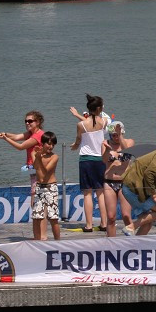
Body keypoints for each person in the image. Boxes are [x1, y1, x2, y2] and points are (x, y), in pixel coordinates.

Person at [0, 110, 45, 238]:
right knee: (36, 201)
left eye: (30, 121)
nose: (27, 123)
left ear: (38, 122)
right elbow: (16, 137)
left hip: (39, 171)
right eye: (26, 121)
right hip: (33, 170)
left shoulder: (37, 136)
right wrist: (5, 134)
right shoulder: (31, 133)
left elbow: (20, 146)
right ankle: (38, 235)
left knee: (37, 202)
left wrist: (5, 139)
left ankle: (41, 236)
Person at [70, 93, 108, 233]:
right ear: (99, 108)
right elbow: (95, 122)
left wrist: (74, 146)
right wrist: (80, 115)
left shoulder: (81, 125)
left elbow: (79, 139)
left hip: (86, 159)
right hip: (100, 159)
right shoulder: (103, 121)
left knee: (87, 193)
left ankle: (89, 225)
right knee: (100, 193)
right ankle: (104, 223)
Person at [101, 121, 135, 237]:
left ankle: (131, 240)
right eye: (113, 135)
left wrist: (120, 136)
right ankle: (111, 244)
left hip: (124, 182)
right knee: (111, 217)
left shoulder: (129, 142)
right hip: (109, 182)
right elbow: (105, 160)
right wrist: (107, 150)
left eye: (117, 134)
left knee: (126, 215)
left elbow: (128, 152)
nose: (115, 137)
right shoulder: (105, 143)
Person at [31, 131, 61, 241]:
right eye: (48, 144)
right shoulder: (35, 153)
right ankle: (37, 242)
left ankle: (58, 242)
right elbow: (36, 168)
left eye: (53, 144)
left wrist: (39, 157)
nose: (51, 147)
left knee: (53, 218)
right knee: (36, 216)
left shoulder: (55, 157)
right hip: (39, 187)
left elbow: (46, 171)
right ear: (42, 143)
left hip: (51, 188)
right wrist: (37, 156)